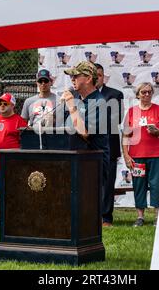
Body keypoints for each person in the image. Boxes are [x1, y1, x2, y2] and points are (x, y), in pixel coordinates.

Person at [61, 61, 110, 214]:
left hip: (92, 161)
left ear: (88, 78)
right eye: (71, 76)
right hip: (77, 158)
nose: (72, 79)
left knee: (86, 206)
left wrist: (70, 104)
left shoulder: (99, 102)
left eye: (76, 75)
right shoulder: (81, 102)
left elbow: (84, 131)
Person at [122, 82, 159, 227]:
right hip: (137, 155)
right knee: (139, 185)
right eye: (143, 92)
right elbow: (125, 135)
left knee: (157, 185)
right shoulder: (132, 112)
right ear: (137, 95)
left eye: (149, 92)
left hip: (158, 155)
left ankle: (157, 216)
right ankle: (140, 217)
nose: (147, 94)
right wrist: (126, 154)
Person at [95, 63, 124, 227]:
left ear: (103, 76)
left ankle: (106, 218)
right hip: (87, 146)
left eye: (99, 75)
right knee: (88, 183)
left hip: (108, 146)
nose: (96, 78)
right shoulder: (80, 96)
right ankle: (90, 216)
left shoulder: (115, 94)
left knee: (107, 183)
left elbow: (116, 119)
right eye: (94, 75)